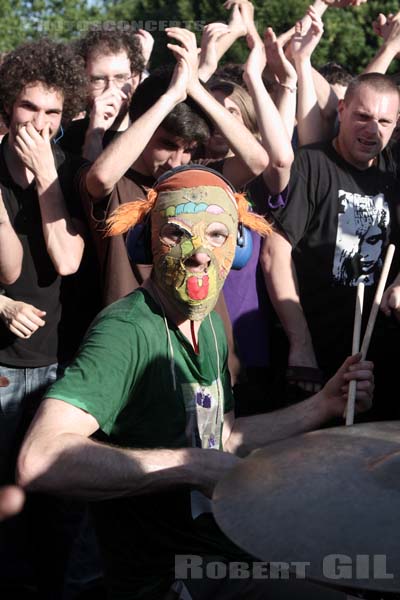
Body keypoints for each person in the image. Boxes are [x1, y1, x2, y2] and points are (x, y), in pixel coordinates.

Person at [17, 165, 373, 600]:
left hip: (216, 544)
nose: (199, 253)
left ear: (238, 249)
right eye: (176, 234)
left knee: (357, 564)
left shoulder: (208, 325)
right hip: (167, 574)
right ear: (145, 240)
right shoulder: (126, 331)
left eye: (218, 235)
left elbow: (217, 437)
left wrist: (322, 405)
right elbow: (39, 458)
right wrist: (188, 466)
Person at [261, 72, 400, 417]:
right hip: (315, 358)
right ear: (341, 110)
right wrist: (300, 344)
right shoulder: (311, 163)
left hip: (380, 357)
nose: (372, 130)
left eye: (384, 121)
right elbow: (274, 254)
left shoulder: (395, 169)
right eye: (362, 117)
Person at [60, 25, 145, 161]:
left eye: (120, 77)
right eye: (98, 79)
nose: (111, 90)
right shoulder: (64, 139)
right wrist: (94, 135)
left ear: (135, 79)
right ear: (83, 82)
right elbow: (87, 182)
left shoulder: (149, 136)